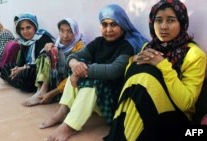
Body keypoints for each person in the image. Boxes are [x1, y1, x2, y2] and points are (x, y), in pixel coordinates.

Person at [40, 4, 148, 141]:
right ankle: (62, 112)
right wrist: (74, 65)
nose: (108, 29)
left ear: (123, 25)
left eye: (113, 24)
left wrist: (80, 71)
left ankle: (70, 126)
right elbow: (73, 57)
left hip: (112, 102)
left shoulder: (127, 46)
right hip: (96, 101)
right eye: (104, 24)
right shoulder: (98, 42)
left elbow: (113, 71)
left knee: (91, 79)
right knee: (76, 71)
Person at [104, 1, 206, 141]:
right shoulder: (148, 46)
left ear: (181, 23)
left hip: (177, 119)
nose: (163, 27)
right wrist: (132, 62)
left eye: (171, 20)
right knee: (140, 74)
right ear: (152, 23)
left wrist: (163, 65)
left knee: (146, 77)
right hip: (145, 110)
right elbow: (130, 82)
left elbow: (186, 103)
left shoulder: (194, 54)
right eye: (158, 20)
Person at [22, 18, 85, 106]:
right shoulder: (57, 43)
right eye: (62, 31)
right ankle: (40, 90)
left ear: (75, 32)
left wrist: (52, 93)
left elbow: (75, 75)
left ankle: (44, 92)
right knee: (47, 50)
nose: (65, 35)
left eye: (70, 31)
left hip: (69, 84)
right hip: (55, 80)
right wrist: (48, 47)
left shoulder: (80, 47)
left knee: (52, 51)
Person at [0, 14, 55, 93]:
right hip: (26, 69)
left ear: (35, 27)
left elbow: (41, 63)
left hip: (39, 72)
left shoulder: (42, 38)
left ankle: (20, 83)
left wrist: (22, 68)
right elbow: (21, 62)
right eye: (22, 29)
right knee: (6, 68)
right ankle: (20, 82)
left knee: (26, 75)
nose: (25, 32)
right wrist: (17, 69)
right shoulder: (24, 41)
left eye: (28, 27)